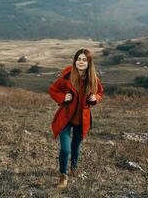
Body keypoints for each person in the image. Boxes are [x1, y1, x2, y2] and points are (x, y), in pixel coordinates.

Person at [48, 48, 104, 189]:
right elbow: (53, 89)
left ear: (89, 63)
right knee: (65, 149)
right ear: (75, 61)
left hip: (82, 119)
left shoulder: (93, 79)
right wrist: (63, 98)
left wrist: (95, 98)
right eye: (79, 59)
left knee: (76, 147)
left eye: (84, 60)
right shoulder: (67, 76)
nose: (81, 62)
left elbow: (100, 93)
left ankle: (73, 168)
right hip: (65, 118)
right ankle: (63, 176)